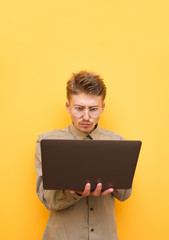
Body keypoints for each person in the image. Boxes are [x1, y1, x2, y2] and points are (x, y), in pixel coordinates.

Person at [35, 70, 132, 240]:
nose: (86, 117)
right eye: (79, 108)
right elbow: (47, 199)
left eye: (93, 109)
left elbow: (124, 195)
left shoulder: (117, 141)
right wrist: (76, 192)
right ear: (68, 107)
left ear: (102, 107)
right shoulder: (47, 141)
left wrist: (110, 174)